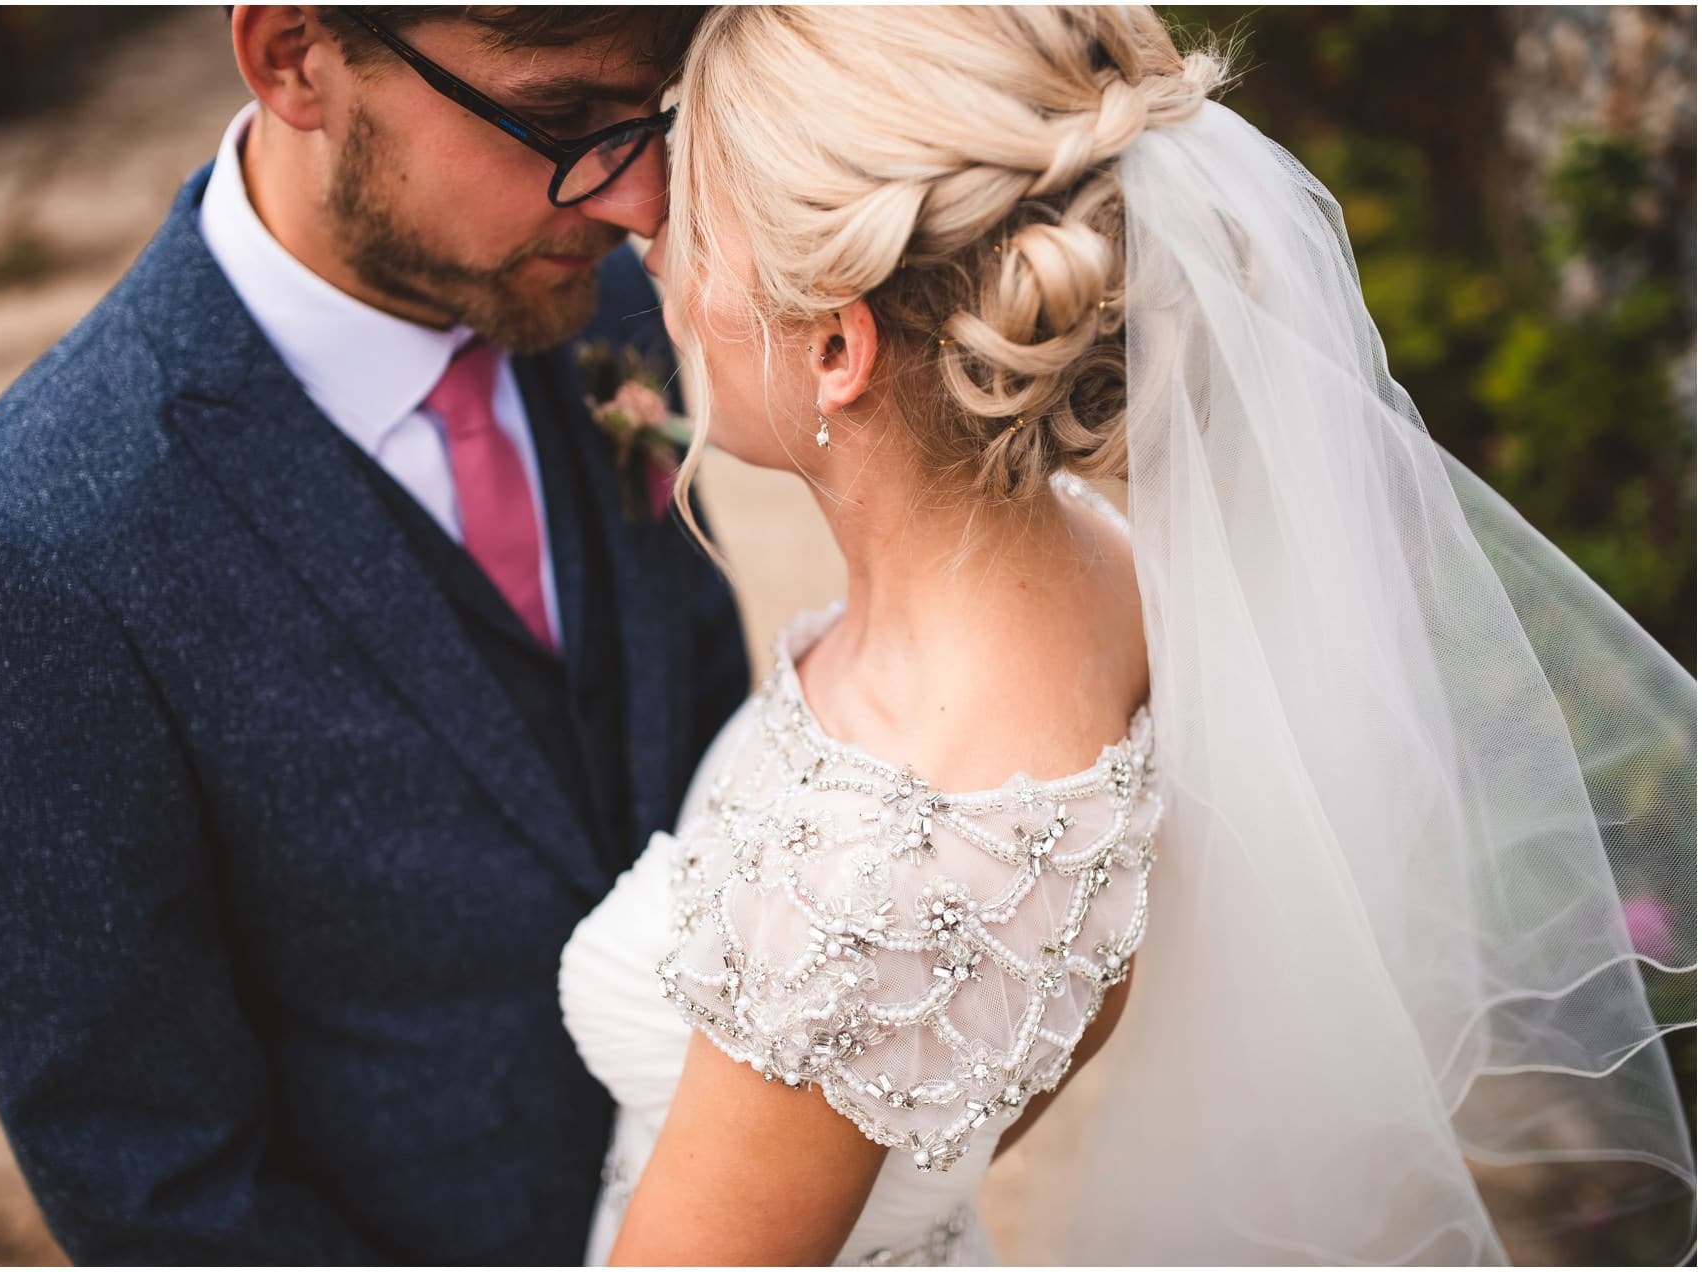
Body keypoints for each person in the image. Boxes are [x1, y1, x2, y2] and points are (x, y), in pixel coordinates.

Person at [558, 6, 1698, 1265]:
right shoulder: (1108, 575)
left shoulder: (877, 875)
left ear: (837, 345)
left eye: (693, 215)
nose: (641, 233)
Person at [0, 5, 745, 1263]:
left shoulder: (603, 298)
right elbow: (154, 1180)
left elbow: (700, 704)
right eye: (561, 121)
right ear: (294, 56)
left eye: (654, 115)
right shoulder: (26, 546)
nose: (638, 198)